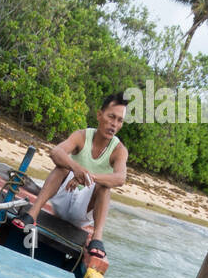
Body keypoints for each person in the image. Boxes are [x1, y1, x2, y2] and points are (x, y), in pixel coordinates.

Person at [23, 94, 129, 263]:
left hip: (83, 210)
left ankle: (97, 238)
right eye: (111, 117)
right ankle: (32, 214)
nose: (114, 124)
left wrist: (86, 177)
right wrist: (76, 168)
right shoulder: (82, 136)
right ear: (99, 115)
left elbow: (120, 178)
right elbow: (56, 152)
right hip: (64, 197)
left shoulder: (119, 150)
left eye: (120, 120)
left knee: (105, 187)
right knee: (61, 167)